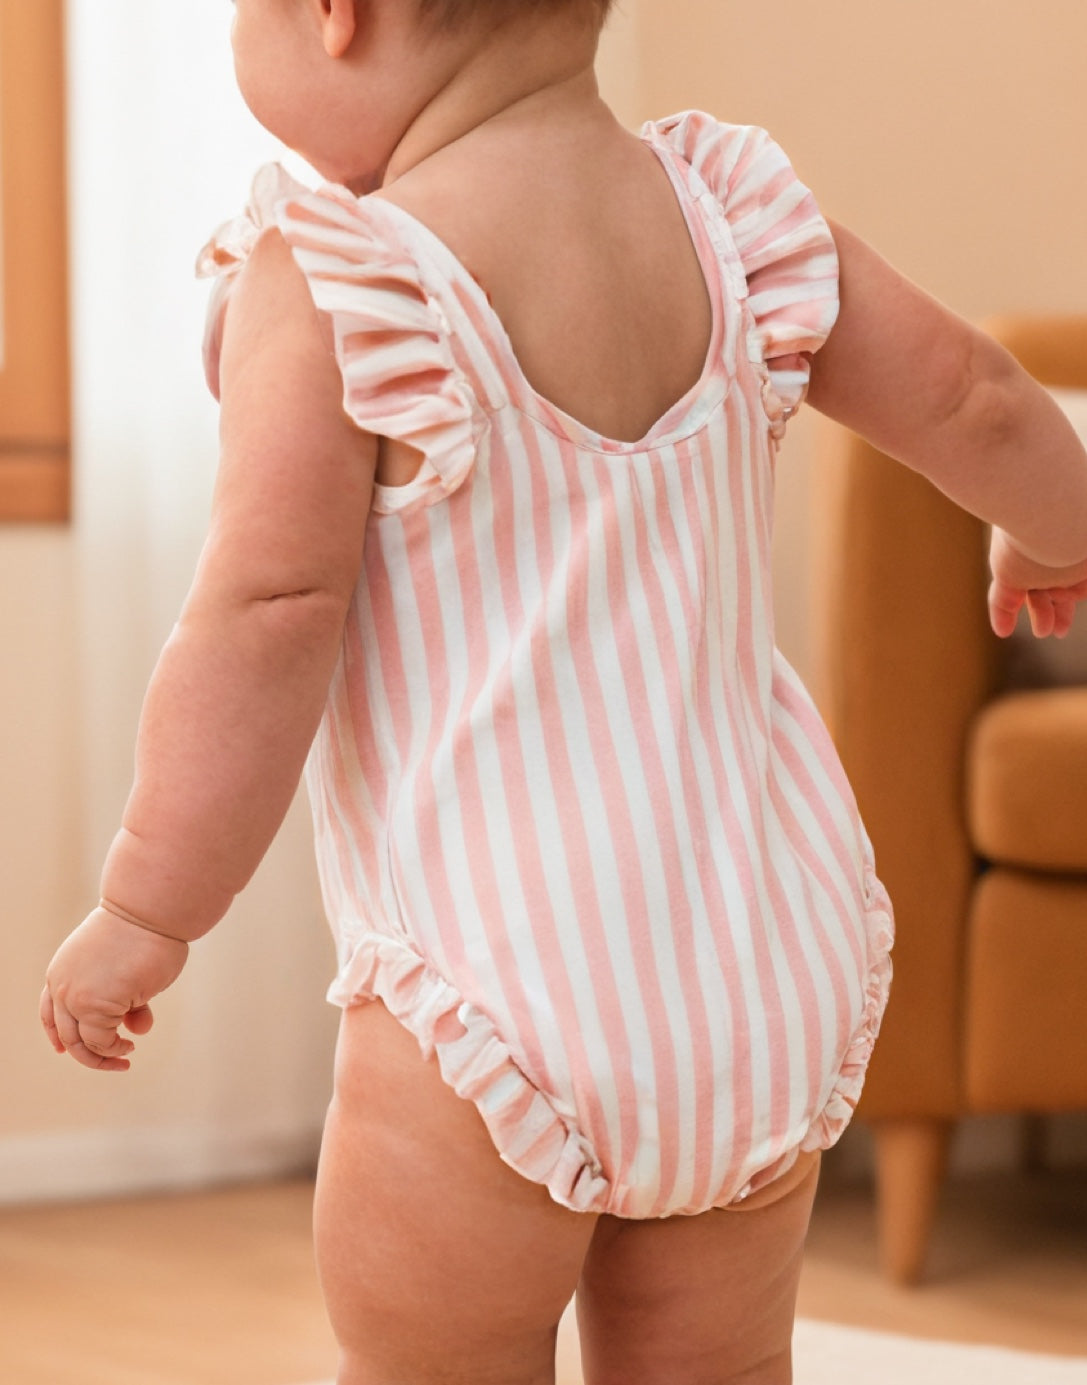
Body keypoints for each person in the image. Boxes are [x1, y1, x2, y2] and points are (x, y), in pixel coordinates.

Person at [40, 1, 1087, 1381]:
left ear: (335, 17)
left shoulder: (346, 278)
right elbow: (974, 397)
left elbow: (263, 620)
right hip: (747, 968)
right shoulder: (730, 222)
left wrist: (147, 902)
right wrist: (1055, 529)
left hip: (491, 994)